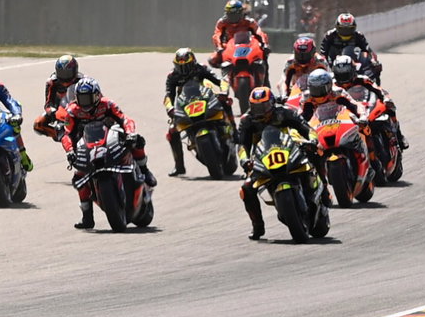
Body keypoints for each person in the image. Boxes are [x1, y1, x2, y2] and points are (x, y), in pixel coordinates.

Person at [56, 78, 153, 230]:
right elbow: (66, 134)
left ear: (96, 95)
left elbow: (125, 119)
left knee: (136, 141)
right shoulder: (72, 111)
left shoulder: (107, 104)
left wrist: (130, 133)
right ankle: (87, 217)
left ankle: (145, 171)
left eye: (87, 97)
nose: (84, 101)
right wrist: (69, 151)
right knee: (80, 177)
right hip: (87, 145)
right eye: (81, 98)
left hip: (112, 138)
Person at [235, 86, 317, 241]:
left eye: (264, 106)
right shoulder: (247, 120)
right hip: (263, 158)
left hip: (290, 151)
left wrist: (312, 140)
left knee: (313, 158)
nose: (260, 110)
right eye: (256, 107)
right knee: (246, 189)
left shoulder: (284, 112)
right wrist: (245, 160)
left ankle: (322, 191)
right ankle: (257, 226)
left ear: (272, 103)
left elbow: (305, 127)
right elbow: (242, 145)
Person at [162, 46, 229, 176]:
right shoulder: (172, 76)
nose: (183, 70)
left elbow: (220, 81)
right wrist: (170, 109)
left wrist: (224, 92)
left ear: (192, 62)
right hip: (186, 105)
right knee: (172, 132)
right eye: (180, 67)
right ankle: (179, 166)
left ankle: (234, 131)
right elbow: (168, 96)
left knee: (225, 102)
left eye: (186, 66)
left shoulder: (201, 68)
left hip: (205, 98)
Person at [329, 54, 409, 148]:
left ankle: (399, 136)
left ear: (353, 71)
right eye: (340, 75)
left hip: (365, 106)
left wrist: (386, 99)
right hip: (347, 114)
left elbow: (378, 90)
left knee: (389, 106)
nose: (344, 80)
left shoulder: (362, 79)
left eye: (346, 74)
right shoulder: (332, 87)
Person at [34, 54, 82, 141]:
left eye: (68, 73)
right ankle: (61, 136)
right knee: (38, 124)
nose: (65, 76)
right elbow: (48, 104)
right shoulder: (52, 82)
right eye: (62, 73)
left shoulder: (81, 80)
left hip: (78, 108)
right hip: (59, 110)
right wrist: (52, 111)